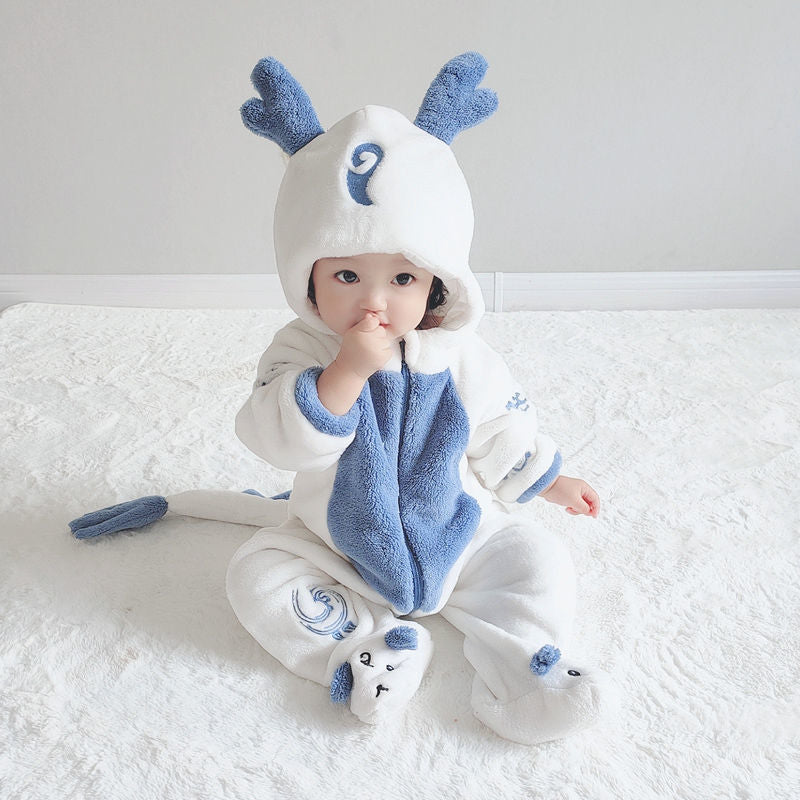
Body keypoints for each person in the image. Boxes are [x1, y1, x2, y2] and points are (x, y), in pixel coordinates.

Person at [70, 51, 613, 745]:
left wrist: (549, 479)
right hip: (336, 546)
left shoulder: (459, 354)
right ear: (309, 277)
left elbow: (502, 426)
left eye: (404, 280)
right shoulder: (302, 348)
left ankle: (529, 666)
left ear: (439, 283)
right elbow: (271, 435)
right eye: (348, 276)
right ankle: (371, 647)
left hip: (458, 537)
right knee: (256, 574)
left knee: (536, 558)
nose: (375, 302)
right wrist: (346, 373)